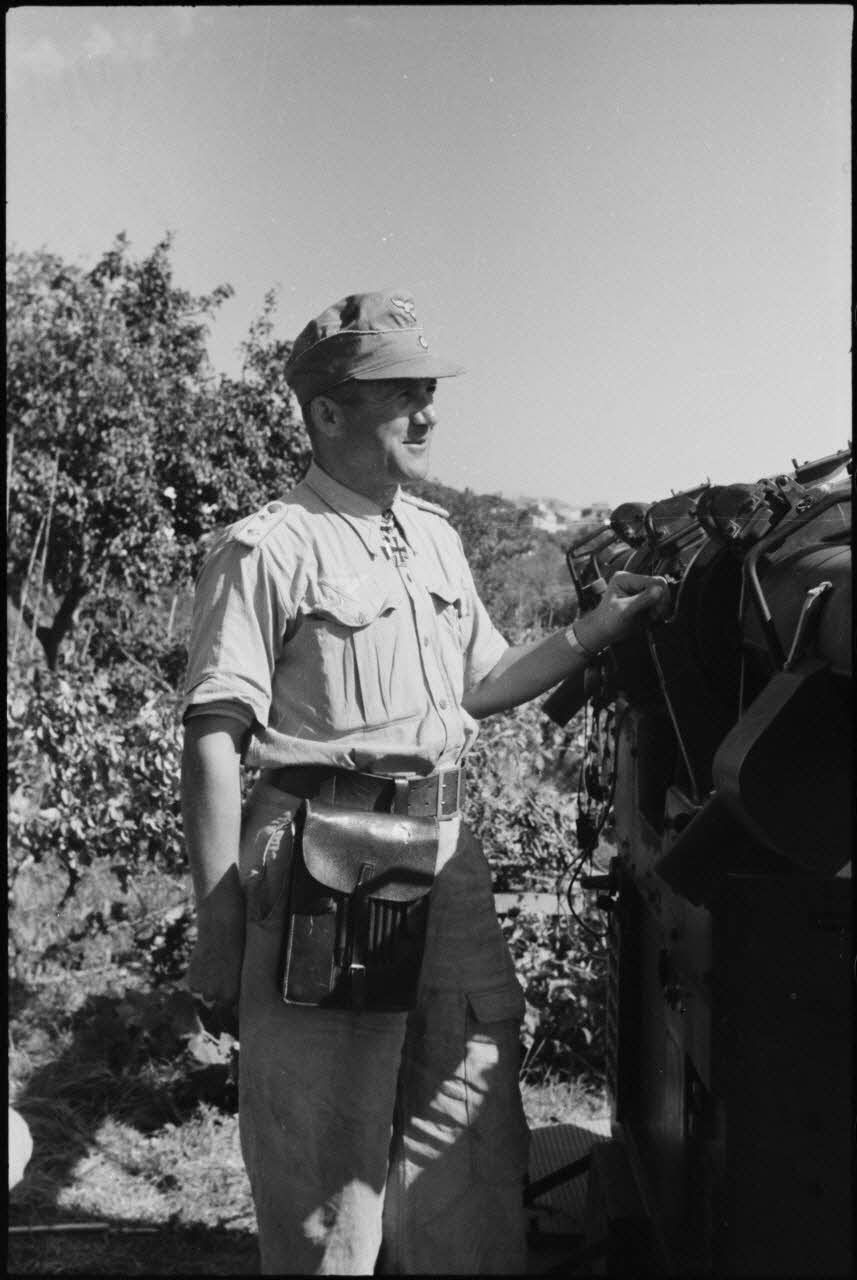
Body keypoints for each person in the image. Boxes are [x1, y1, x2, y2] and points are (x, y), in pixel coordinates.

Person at [180, 290, 667, 1275]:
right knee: (326, 1156)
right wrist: (219, 923)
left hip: (443, 855)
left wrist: (593, 630)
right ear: (327, 412)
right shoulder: (268, 547)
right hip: (324, 864)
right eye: (400, 393)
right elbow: (212, 738)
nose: (427, 410)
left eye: (426, 389)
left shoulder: (434, 537)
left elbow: (481, 682)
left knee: (467, 1118)